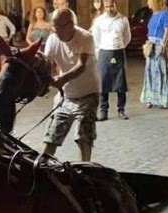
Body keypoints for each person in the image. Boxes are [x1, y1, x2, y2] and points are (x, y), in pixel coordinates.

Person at [42, 9, 100, 161]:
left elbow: (81, 65)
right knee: (51, 136)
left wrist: (62, 79)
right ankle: (41, 170)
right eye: (53, 27)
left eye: (58, 27)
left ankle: (84, 170)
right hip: (65, 96)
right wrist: (48, 76)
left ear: (70, 25)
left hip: (88, 93)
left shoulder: (85, 37)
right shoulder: (53, 38)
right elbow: (48, 63)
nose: (55, 31)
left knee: (83, 138)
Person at [92, 0, 131, 121]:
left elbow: (127, 36)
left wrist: (119, 46)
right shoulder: (99, 21)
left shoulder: (123, 19)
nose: (109, 9)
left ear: (115, 5)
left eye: (111, 6)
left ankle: (121, 110)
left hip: (119, 51)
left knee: (121, 83)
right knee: (103, 83)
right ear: (104, 7)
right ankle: (103, 111)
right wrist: (99, 51)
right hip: (104, 52)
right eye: (107, 7)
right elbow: (96, 37)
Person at [140, 0, 168, 109]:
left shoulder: (165, 14)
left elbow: (167, 30)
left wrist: (164, 45)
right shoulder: (153, 14)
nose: (148, 3)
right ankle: (151, 98)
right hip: (150, 46)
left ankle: (163, 99)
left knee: (161, 72)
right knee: (150, 72)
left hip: (159, 45)